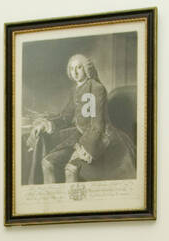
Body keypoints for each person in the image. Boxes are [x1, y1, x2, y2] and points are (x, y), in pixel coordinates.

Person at [30, 55, 135, 184]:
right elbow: (66, 117)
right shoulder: (75, 90)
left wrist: (86, 148)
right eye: (72, 68)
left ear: (86, 69)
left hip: (100, 138)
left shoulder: (97, 88)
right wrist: (46, 125)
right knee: (47, 163)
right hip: (80, 135)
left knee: (71, 169)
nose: (75, 72)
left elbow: (97, 125)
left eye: (79, 67)